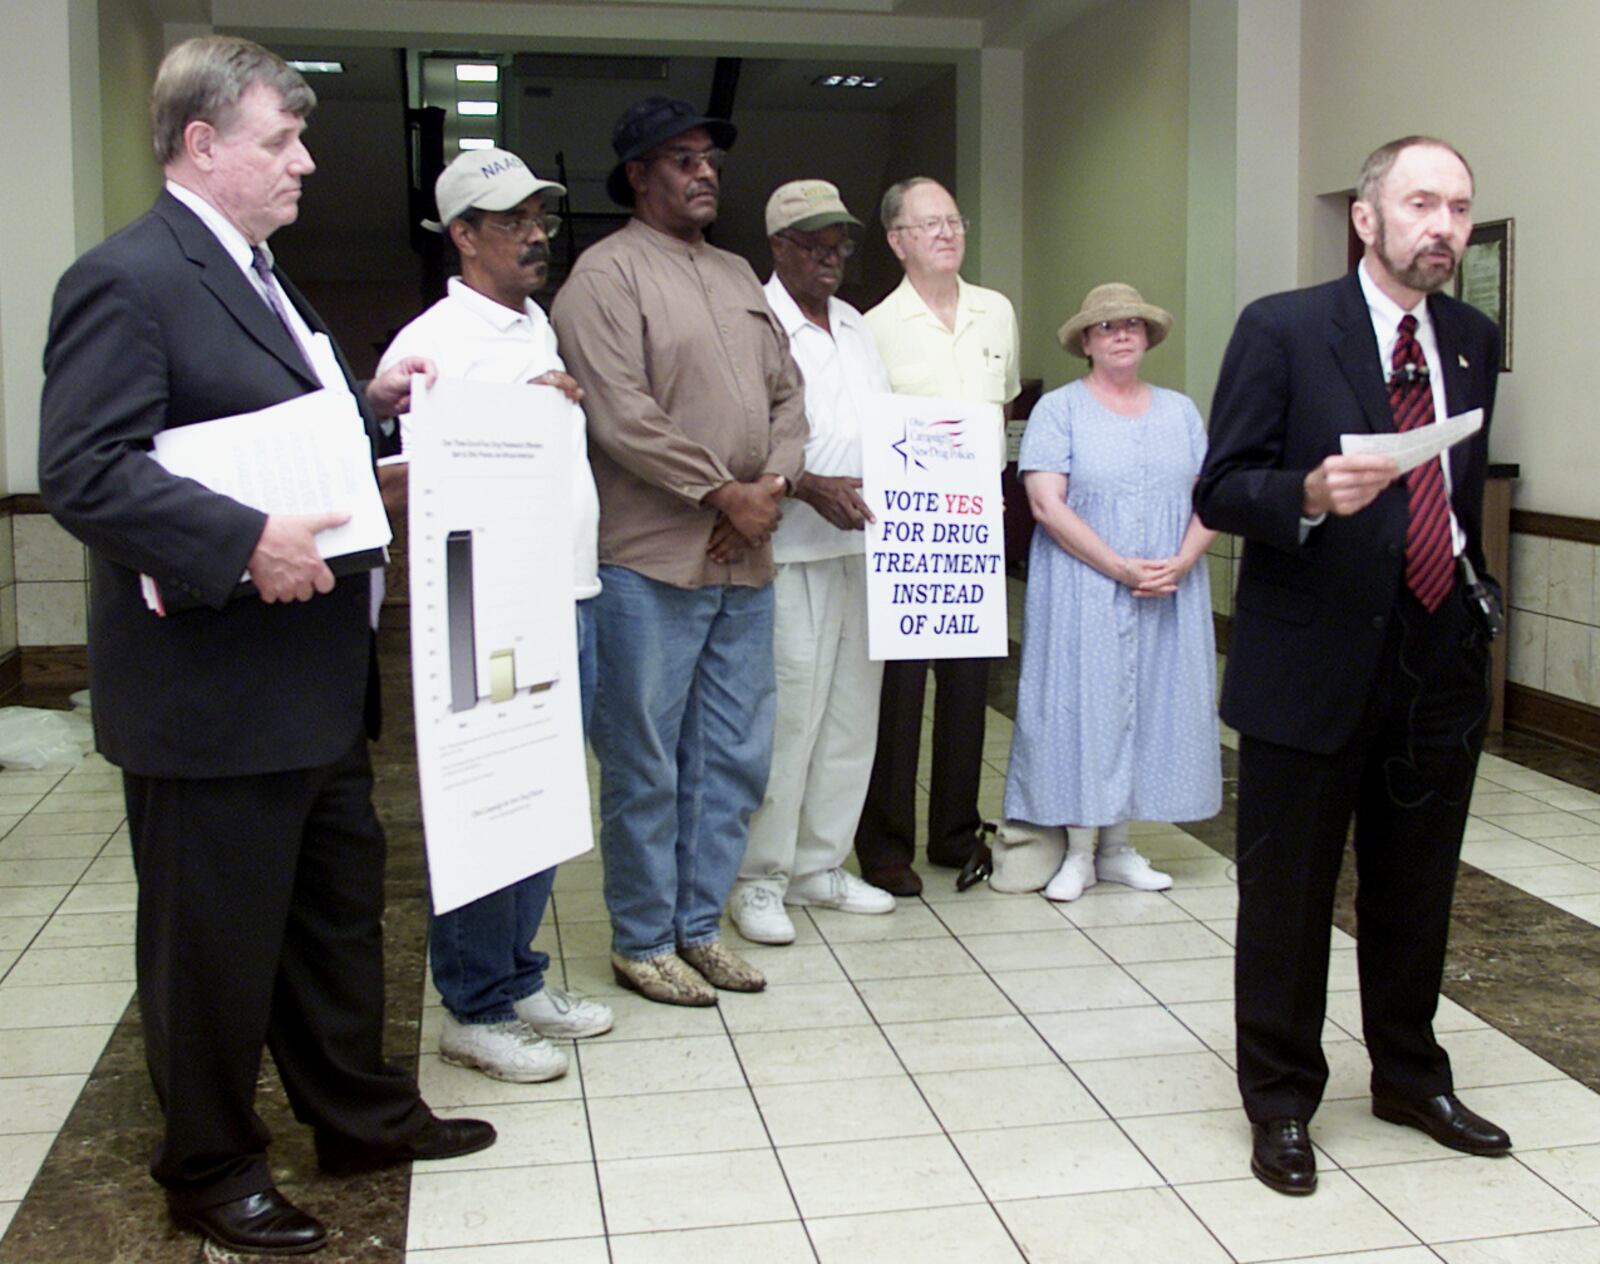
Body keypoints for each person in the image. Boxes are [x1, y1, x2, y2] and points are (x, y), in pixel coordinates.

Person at [37, 36, 493, 1256]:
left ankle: (357, 1117)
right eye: (279, 141)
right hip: (213, 693)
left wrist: (369, 421)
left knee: (336, 919)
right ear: (201, 145)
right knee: (213, 953)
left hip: (313, 681)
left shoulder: (263, 274)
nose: (303, 160)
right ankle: (208, 1164)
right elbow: (84, 470)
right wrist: (241, 542)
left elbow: (268, 424)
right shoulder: (128, 276)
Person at [1196, 135, 1511, 1197]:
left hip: (1436, 657)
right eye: (1422, 203)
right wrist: (1305, 495)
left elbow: (1453, 499)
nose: (1444, 227)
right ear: (1366, 218)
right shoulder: (1282, 329)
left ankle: (1410, 1076)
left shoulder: (1469, 337)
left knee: (1417, 885)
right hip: (1311, 660)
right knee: (1287, 895)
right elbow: (1220, 488)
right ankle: (1281, 1100)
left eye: (1459, 209)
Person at [550, 98, 808, 1004]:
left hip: (747, 557)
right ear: (637, 175)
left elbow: (790, 400)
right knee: (646, 757)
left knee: (734, 754)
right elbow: (620, 415)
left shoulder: (738, 271)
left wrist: (767, 491)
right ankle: (642, 936)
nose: (704, 173)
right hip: (649, 563)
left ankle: (699, 927)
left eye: (710, 161)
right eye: (682, 159)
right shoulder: (602, 278)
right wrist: (721, 492)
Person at [376, 147, 613, 1081]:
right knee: (493, 799)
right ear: (462, 235)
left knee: (547, 800)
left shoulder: (534, 326)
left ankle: (514, 978)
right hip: (494, 608)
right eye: (510, 221)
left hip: (569, 591)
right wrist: (514, 416)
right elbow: (425, 490)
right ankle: (471, 1004)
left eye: (540, 218)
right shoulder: (430, 343)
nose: (534, 236)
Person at [1003, 284, 1220, 902]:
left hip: (1167, 585)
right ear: (1086, 344)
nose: (1121, 334)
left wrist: (1180, 560)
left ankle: (1119, 848)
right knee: (1084, 709)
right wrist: (1121, 568)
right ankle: (1076, 852)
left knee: (1147, 707)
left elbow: (1213, 496)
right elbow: (1046, 504)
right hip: (1084, 583)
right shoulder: (1060, 411)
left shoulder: (1180, 411)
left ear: (1147, 336)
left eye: (1131, 324)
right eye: (1106, 328)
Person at [728, 180, 897, 945]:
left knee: (850, 717)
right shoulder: (752, 321)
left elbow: (892, 429)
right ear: (779, 247)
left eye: (840, 243)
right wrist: (802, 485)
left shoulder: (858, 325)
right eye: (814, 243)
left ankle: (819, 866)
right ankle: (758, 877)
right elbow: (741, 438)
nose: (831, 256)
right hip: (790, 550)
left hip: (868, 549)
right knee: (789, 719)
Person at [855, 177, 1020, 896]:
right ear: (897, 240)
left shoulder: (997, 313)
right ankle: (885, 844)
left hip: (975, 531)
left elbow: (1003, 405)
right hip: (905, 540)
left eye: (955, 219)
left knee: (966, 689)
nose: (948, 232)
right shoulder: (871, 327)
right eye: (930, 224)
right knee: (898, 696)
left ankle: (955, 831)